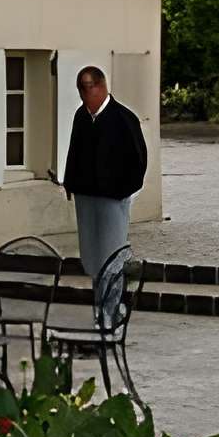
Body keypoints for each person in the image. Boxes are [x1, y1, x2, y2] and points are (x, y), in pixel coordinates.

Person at [59, 64, 149, 326]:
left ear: (99, 87)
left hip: (113, 198)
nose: (84, 95)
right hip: (86, 196)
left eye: (87, 88)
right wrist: (70, 182)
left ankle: (110, 313)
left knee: (111, 257)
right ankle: (103, 309)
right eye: (80, 90)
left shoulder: (123, 118)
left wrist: (124, 190)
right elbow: (73, 151)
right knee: (93, 258)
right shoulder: (81, 116)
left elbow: (139, 159)